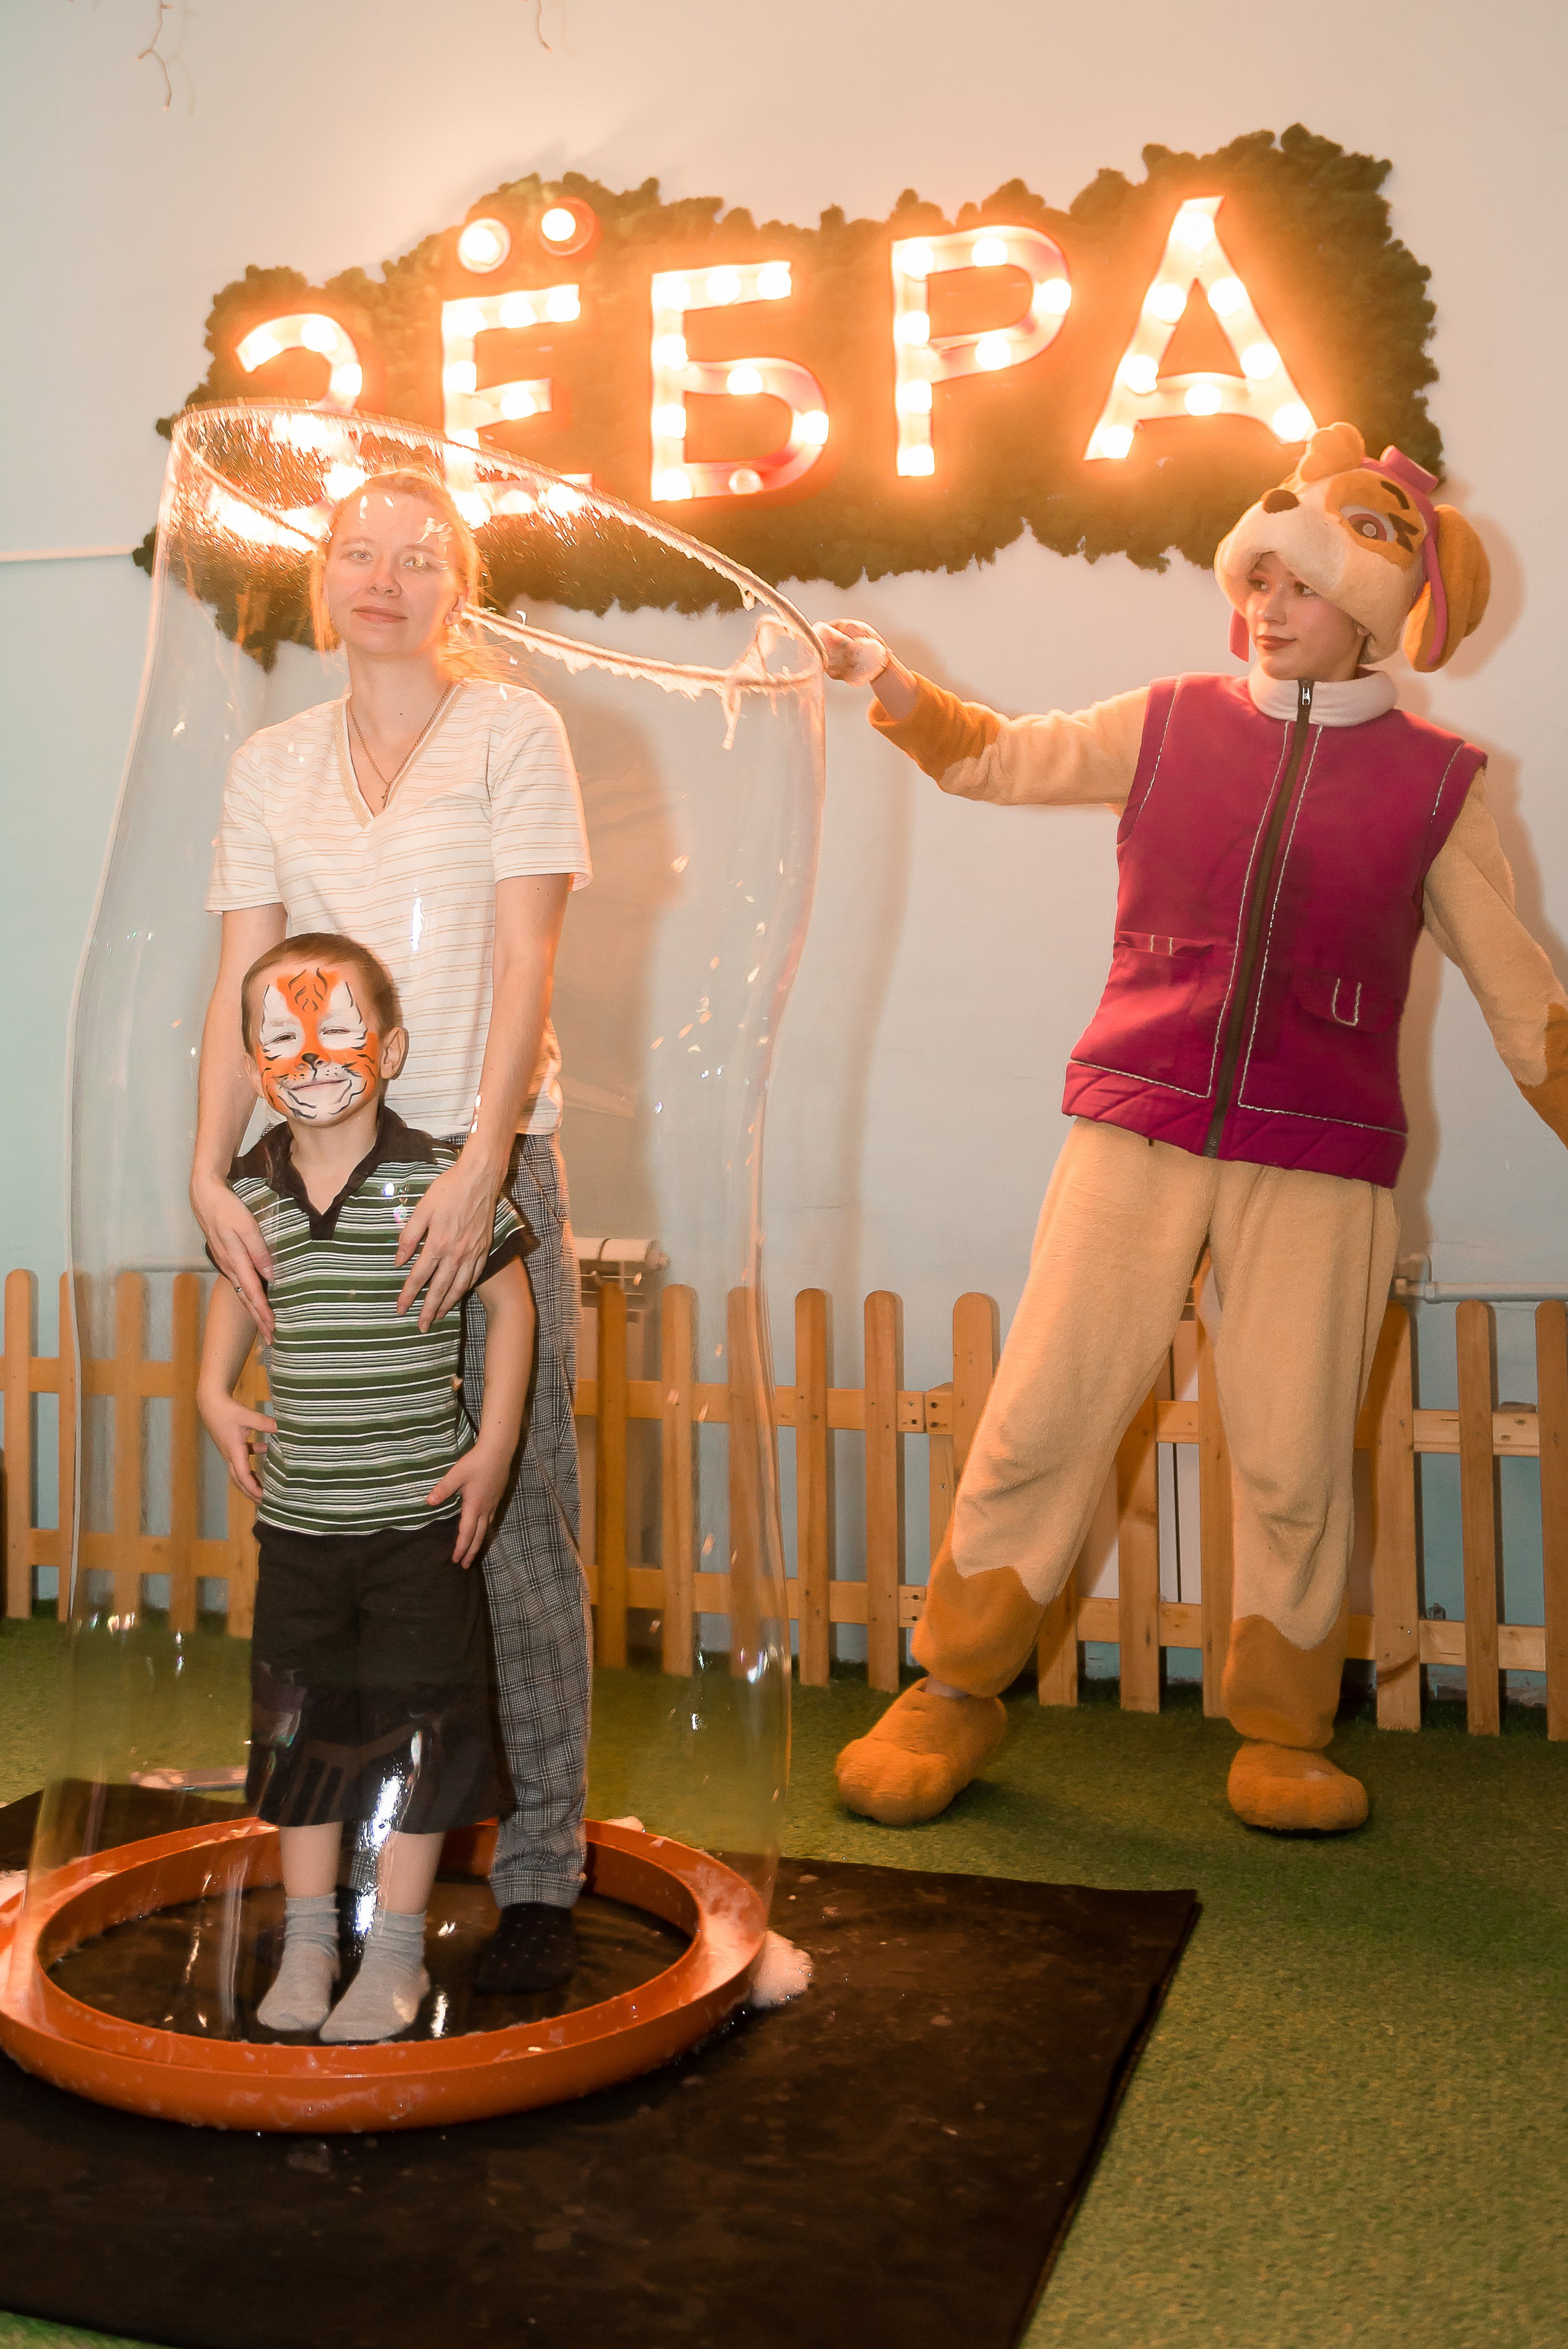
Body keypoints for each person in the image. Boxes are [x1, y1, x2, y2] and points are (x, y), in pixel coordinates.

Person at [820, 422, 1568, 1834]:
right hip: (1135, 1129)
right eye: (1255, 579)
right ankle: (955, 1687)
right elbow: (993, 758)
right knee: (1044, 1412)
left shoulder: (1436, 783)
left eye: (1294, 586)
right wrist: (891, 685)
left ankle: (1281, 1728)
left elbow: (1521, 994)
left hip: (1323, 1158)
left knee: (1289, 1448)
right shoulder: (1166, 719)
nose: (1262, 607)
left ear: (1366, 608)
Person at [194, 467, 592, 1991]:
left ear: (459, 584)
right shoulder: (270, 766)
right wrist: (203, 1168)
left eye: (420, 556)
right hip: (307, 1169)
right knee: (341, 1529)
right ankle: (349, 1884)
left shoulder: (512, 733)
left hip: (473, 1163)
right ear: (320, 581)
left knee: (504, 1519)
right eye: (358, 551)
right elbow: (244, 980)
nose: (385, 576)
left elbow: (524, 953)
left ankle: (540, 1871)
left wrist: (481, 1162)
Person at [198, 933, 535, 2040]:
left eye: (337, 1031)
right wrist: (212, 1386)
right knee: (301, 1733)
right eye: (281, 1038)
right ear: (254, 1063)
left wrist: (492, 1448)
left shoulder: (437, 1173)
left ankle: (390, 1953)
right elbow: (240, 1287)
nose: (310, 1059)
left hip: (415, 1528)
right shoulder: (249, 1183)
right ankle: (307, 1939)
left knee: (420, 1732)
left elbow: (511, 1306)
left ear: (388, 1048)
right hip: (298, 1526)